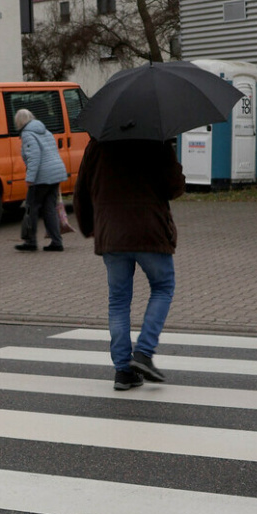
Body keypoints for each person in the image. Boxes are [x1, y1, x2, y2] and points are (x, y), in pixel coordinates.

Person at [74, 138, 185, 390]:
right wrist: (173, 161)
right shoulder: (156, 140)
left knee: (119, 300)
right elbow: (174, 187)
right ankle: (144, 353)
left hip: (112, 233)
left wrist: (89, 226)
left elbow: (82, 189)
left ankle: (123, 371)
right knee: (163, 286)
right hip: (150, 231)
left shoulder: (98, 143)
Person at [14, 109, 68, 252]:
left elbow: (34, 157)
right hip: (55, 174)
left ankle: (30, 241)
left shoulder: (27, 134)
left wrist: (30, 178)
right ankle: (57, 242)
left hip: (41, 177)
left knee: (31, 208)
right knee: (49, 208)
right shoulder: (45, 131)